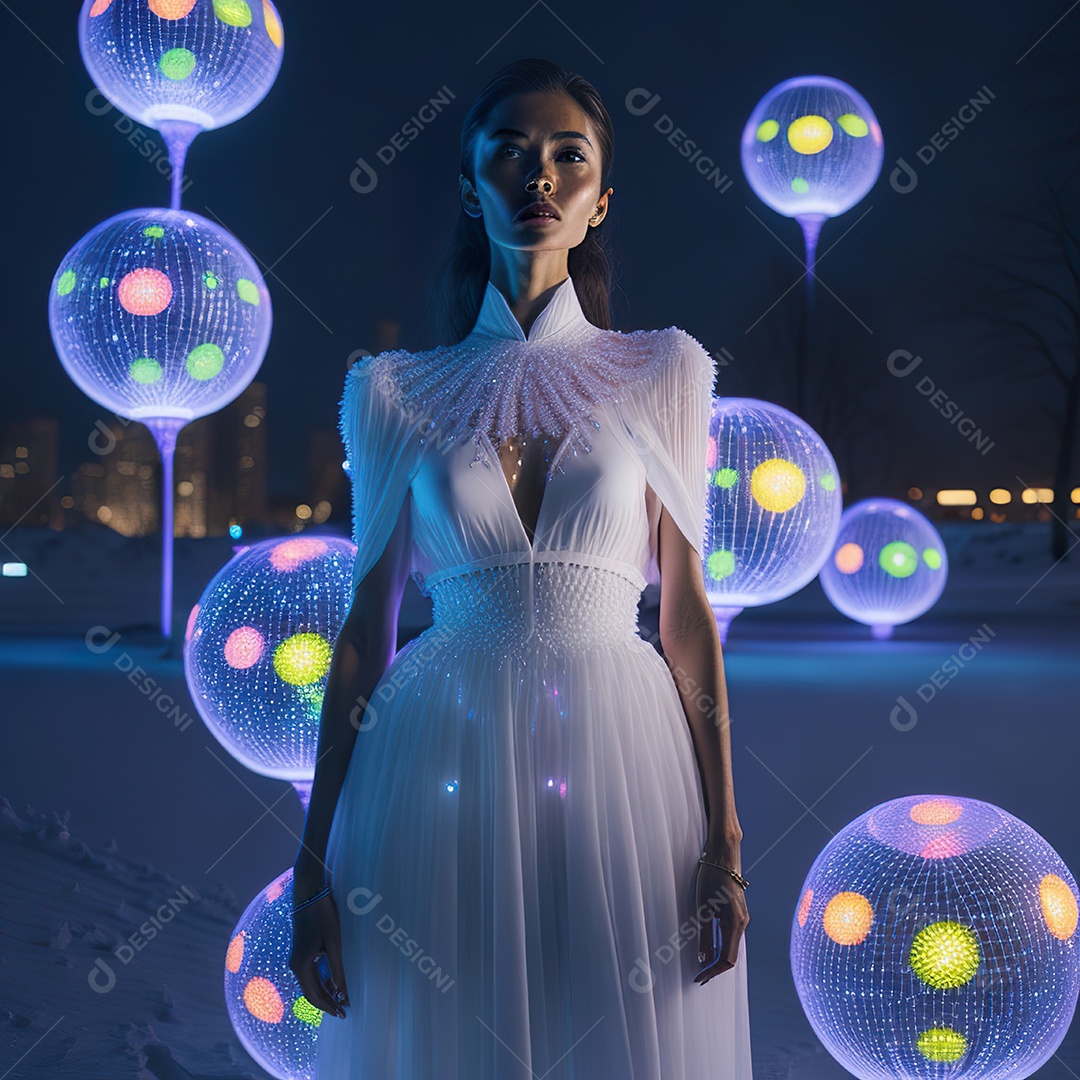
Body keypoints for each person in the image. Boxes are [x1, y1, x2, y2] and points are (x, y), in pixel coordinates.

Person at [290, 56, 752, 1078]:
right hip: (437, 757)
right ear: (471, 188)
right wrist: (313, 863)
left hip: (626, 755)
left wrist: (724, 841)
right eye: (510, 151)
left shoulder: (664, 369)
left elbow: (686, 617)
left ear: (600, 200)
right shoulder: (394, 390)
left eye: (568, 155)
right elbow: (365, 633)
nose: (539, 174)